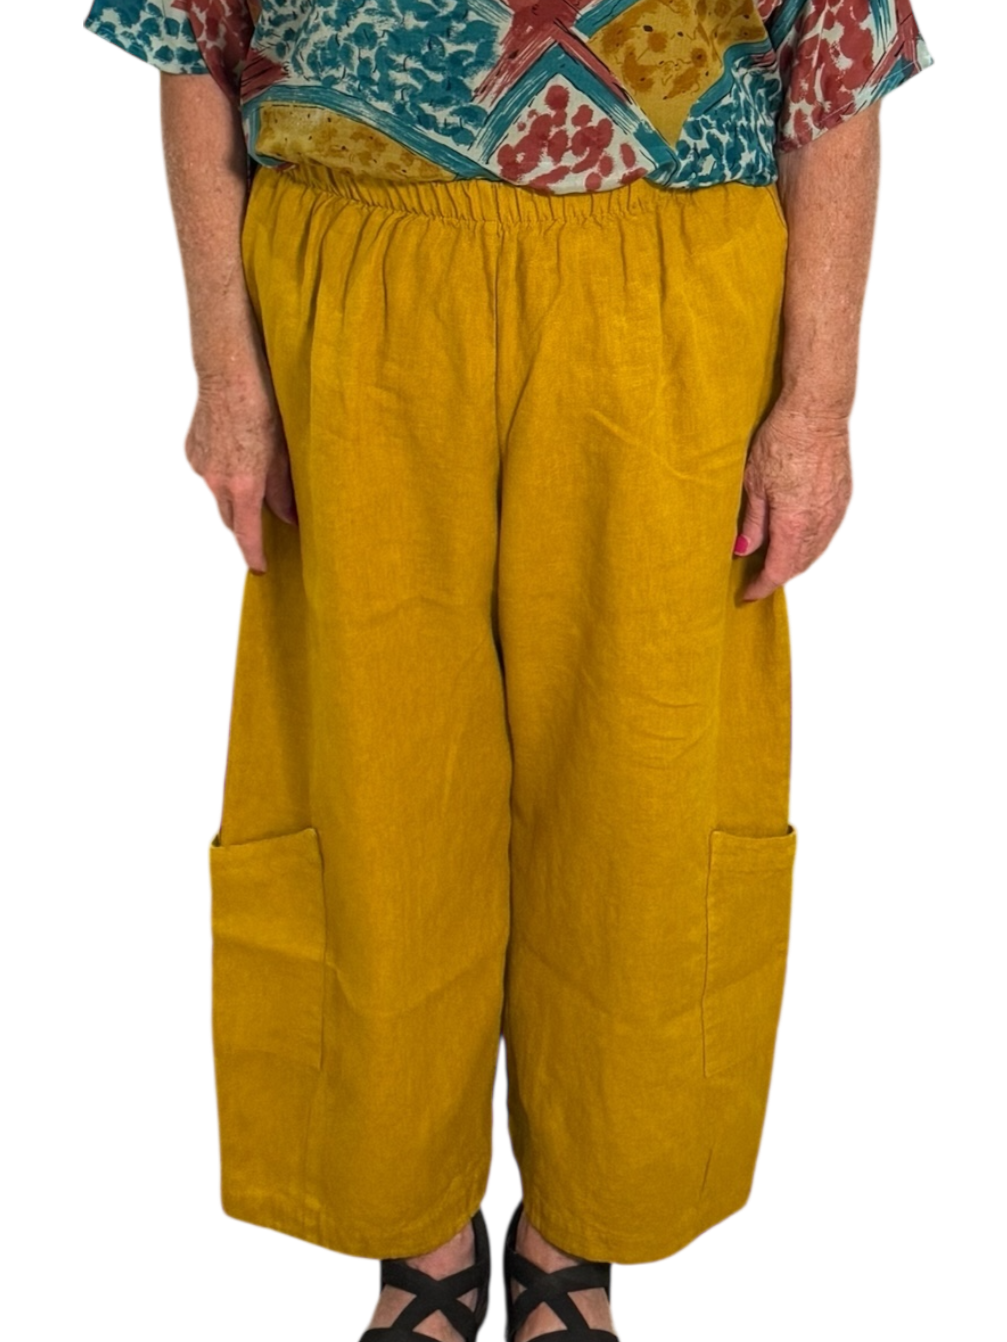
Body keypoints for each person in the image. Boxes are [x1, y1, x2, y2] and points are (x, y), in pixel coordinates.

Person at [84, 4, 934, 1340]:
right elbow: (189, 40)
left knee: (642, 765)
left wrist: (819, 406)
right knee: (375, 763)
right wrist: (223, 374)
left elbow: (839, 61)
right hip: (351, 259)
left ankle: (584, 1224)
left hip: (664, 271)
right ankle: (406, 1217)